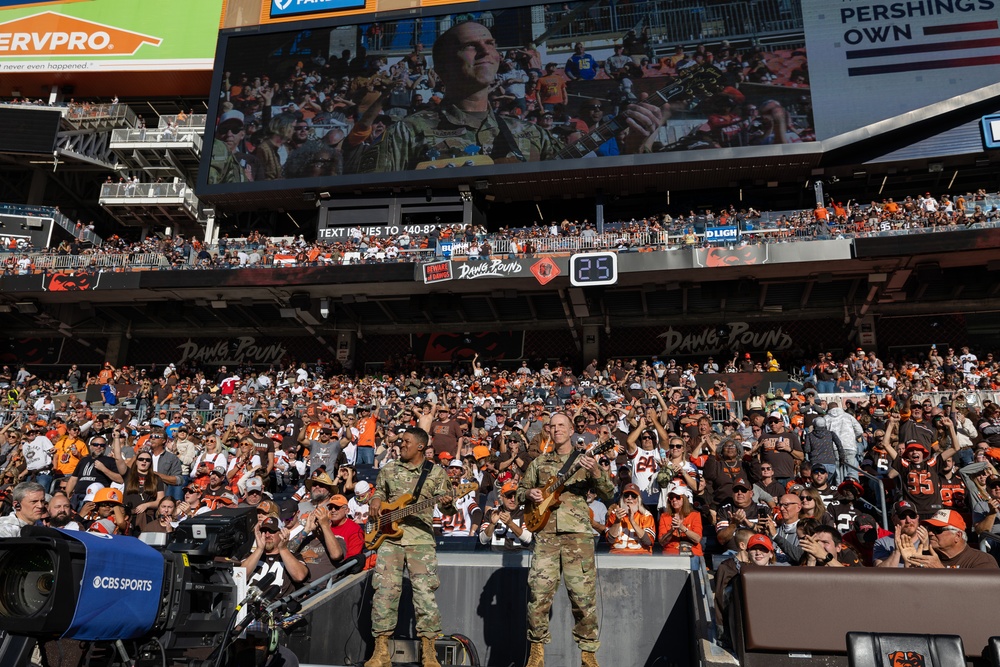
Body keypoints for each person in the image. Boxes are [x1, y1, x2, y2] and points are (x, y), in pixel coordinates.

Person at [519, 412, 614, 667]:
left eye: (562, 425)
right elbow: (517, 491)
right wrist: (528, 492)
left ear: (572, 430)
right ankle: (536, 652)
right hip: (546, 535)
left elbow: (609, 492)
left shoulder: (586, 460)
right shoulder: (539, 463)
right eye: (553, 426)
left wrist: (596, 472)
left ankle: (588, 654)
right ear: (548, 430)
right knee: (538, 596)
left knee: (583, 599)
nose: (557, 429)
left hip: (577, 537)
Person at [365, 427, 454, 667]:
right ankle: (380, 651)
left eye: (406, 441)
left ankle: (429, 650)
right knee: (385, 593)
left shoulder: (435, 473)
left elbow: (448, 509)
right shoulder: (389, 468)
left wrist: (447, 503)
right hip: (389, 539)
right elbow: (381, 492)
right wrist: (374, 499)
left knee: (425, 595)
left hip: (421, 540)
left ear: (421, 446)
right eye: (401, 440)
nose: (401, 444)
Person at [241, 516, 311, 597]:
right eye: (264, 531)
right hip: (248, 604)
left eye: (271, 531)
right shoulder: (250, 556)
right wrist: (259, 549)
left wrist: (283, 549)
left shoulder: (294, 556)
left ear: (281, 533)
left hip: (277, 606)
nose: (267, 535)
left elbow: (299, 576)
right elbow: (241, 576)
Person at [907, 509, 998, 569]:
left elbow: (981, 594)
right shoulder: (927, 558)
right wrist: (908, 563)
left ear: (957, 536)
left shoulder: (981, 560)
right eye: (930, 529)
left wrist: (939, 570)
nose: (930, 533)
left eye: (938, 530)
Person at [606, 482, 655, 554]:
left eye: (633, 496)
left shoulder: (646, 515)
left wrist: (632, 521)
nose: (629, 498)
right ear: (622, 499)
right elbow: (609, 541)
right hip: (617, 554)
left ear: (638, 500)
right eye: (626, 495)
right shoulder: (614, 514)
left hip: (641, 554)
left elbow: (648, 542)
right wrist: (617, 521)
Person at [658, 482, 703, 556]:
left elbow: (697, 539)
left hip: (692, 552)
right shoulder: (664, 516)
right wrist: (671, 531)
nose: (674, 500)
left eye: (678, 497)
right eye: (671, 497)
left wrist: (682, 527)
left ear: (684, 499)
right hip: (671, 554)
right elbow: (661, 542)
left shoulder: (695, 515)